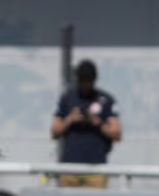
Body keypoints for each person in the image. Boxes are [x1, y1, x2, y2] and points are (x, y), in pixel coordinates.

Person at [50, 60, 119, 188]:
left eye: (88, 81)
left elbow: (116, 133)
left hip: (96, 168)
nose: (84, 85)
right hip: (70, 167)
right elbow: (54, 131)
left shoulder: (105, 100)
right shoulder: (68, 98)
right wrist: (69, 120)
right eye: (81, 80)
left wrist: (97, 123)